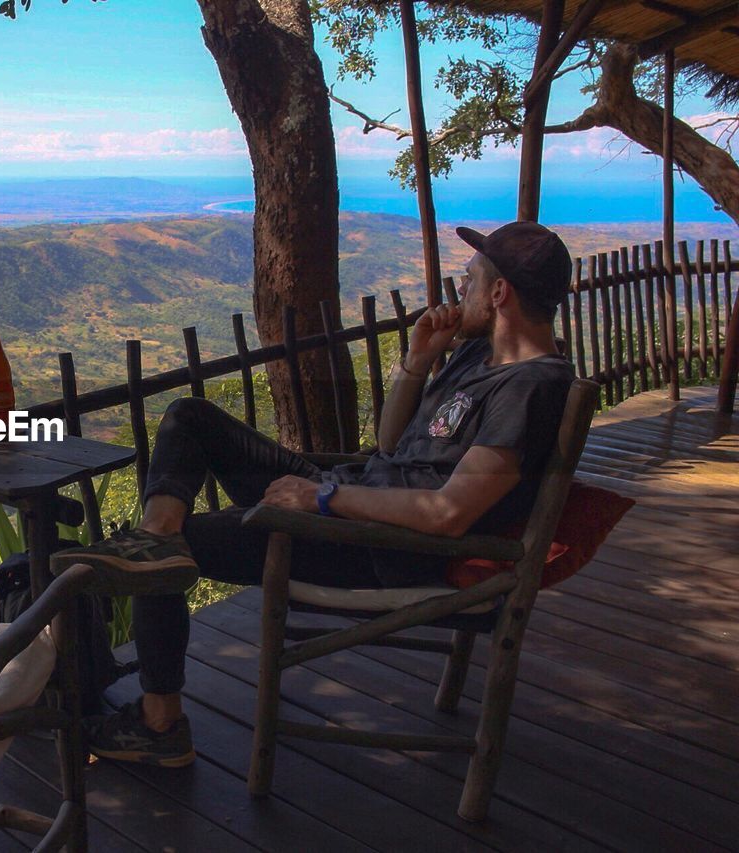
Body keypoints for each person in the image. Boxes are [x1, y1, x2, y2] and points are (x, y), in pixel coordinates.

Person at [52, 221, 578, 768]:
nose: (458, 290)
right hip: (354, 496)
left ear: (499, 294)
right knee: (189, 418)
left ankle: (158, 721)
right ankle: (154, 539)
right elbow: (392, 445)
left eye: (470, 280)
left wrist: (320, 500)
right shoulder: (480, 356)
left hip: (378, 544)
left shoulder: (530, 388)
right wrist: (419, 361)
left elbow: (448, 513)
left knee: (177, 549)